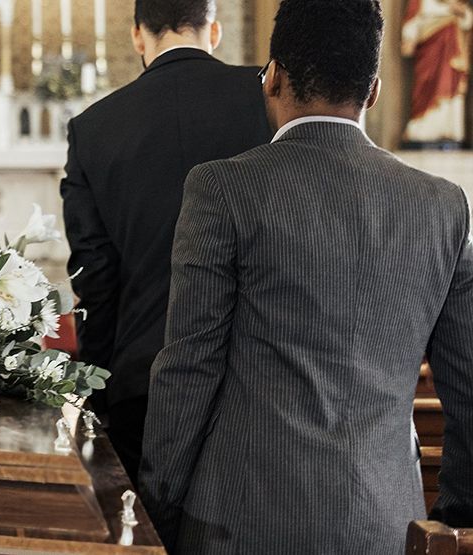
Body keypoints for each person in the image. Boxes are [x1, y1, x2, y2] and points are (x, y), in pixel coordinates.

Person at [140, 0, 473, 552]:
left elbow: (188, 369)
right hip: (385, 525)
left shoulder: (223, 189)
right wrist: (453, 517)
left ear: (272, 78)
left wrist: (158, 507)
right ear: (373, 91)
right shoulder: (442, 205)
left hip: (239, 525)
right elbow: (466, 386)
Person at [60, 0, 271, 484]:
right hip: (256, 372)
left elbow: (95, 277)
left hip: (143, 377)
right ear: (213, 30)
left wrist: (99, 389)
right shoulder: (268, 96)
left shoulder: (93, 128)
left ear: (138, 36)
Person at [401, 0, 472, 146]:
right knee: (427, 83)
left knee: (450, 85)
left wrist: (462, 12)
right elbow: (415, 12)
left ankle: (449, 130)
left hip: (453, 45)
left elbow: (468, 20)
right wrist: (409, 36)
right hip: (430, 43)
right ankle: (421, 129)